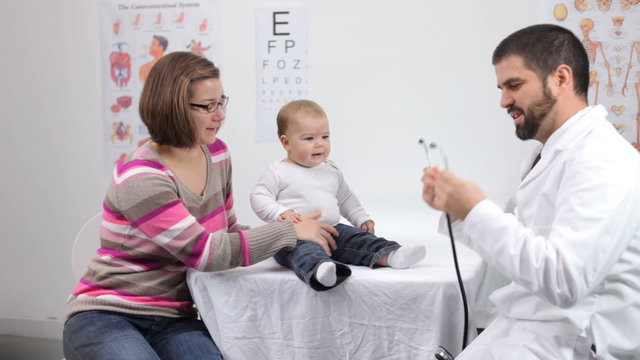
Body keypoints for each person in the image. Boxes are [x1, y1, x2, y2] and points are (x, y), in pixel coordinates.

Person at [63, 52, 338, 359]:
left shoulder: (216, 153)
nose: (220, 115)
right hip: (107, 316)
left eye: (222, 102)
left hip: (176, 319)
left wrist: (299, 243)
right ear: (174, 108)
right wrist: (288, 232)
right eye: (208, 106)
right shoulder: (142, 176)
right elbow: (205, 253)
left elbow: (229, 231)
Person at [422, 24, 640, 359]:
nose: (503, 101)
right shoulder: (547, 154)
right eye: (501, 88)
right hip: (531, 326)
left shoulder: (603, 160)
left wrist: (476, 211)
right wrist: (460, 212)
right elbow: (529, 255)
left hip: (573, 340)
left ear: (561, 79)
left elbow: (565, 280)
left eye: (514, 85)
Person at [250, 100, 426, 291]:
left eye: (325, 136)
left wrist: (361, 218)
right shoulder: (278, 171)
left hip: (332, 229)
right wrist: (280, 212)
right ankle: (321, 270)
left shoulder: (331, 170)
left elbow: (345, 198)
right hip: (295, 236)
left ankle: (391, 254)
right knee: (304, 251)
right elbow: (258, 196)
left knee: (358, 238)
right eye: (309, 139)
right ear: (286, 142)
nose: (319, 144)